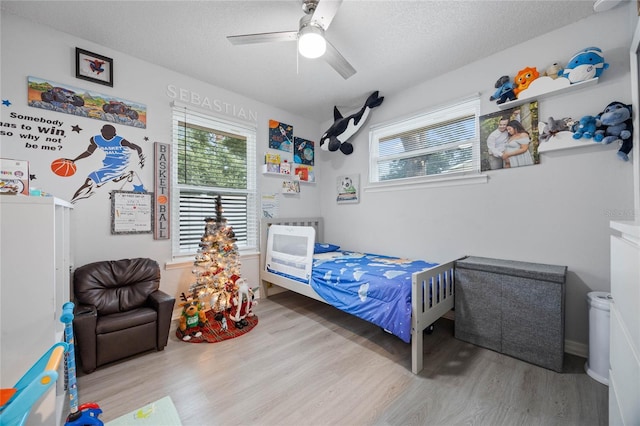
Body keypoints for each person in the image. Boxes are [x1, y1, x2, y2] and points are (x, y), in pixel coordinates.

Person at [67, 124, 145, 202]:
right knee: (115, 179)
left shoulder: (120, 141)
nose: (109, 137)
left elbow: (138, 148)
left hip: (121, 162)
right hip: (108, 161)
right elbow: (89, 152)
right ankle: (128, 174)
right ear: (101, 132)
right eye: (107, 135)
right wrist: (74, 160)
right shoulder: (96, 140)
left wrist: (141, 159)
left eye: (111, 135)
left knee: (90, 181)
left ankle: (72, 201)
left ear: (114, 134)